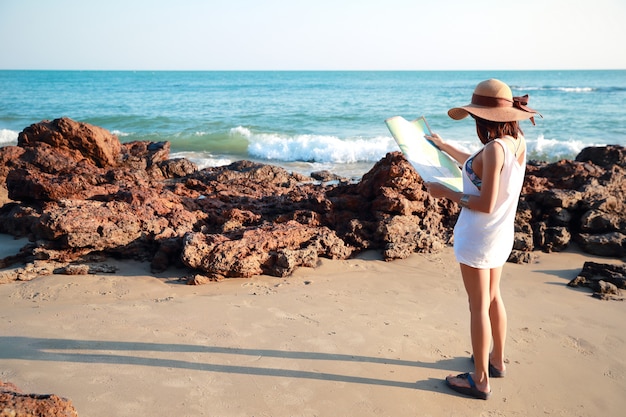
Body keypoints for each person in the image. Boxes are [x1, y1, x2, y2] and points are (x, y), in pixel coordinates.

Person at [424, 79, 540, 400]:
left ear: (483, 117)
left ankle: (480, 380)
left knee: (477, 306)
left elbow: (485, 203)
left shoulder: (493, 148)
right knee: (492, 298)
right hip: (501, 236)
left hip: (478, 236)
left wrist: (445, 192)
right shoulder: (515, 142)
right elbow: (482, 166)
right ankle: (496, 361)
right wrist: (445, 145)